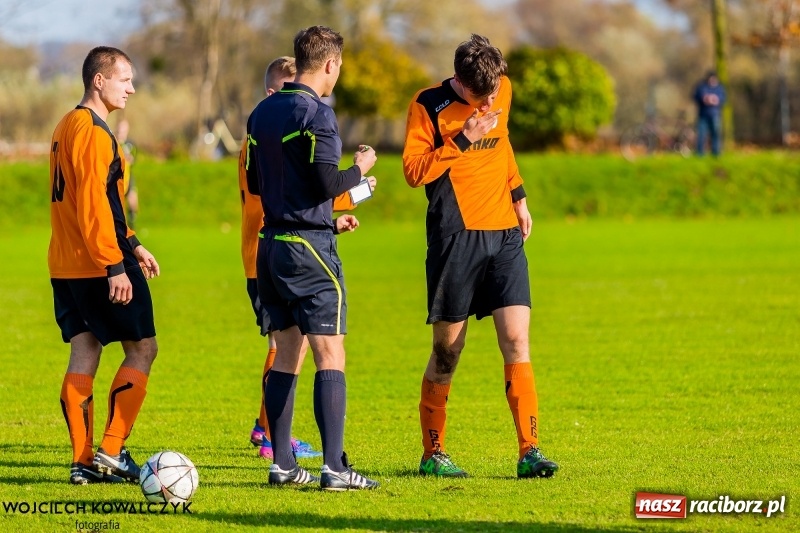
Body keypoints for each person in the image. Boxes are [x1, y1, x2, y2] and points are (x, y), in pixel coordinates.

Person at [402, 34, 559, 479]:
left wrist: (520, 196)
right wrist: (462, 140)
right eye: (480, 96)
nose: (489, 101)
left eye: (494, 93)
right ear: (459, 81)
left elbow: (504, 144)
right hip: (455, 238)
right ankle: (433, 454)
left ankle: (530, 451)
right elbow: (414, 173)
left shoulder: (500, 88)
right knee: (448, 352)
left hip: (504, 234)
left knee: (516, 339)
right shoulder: (427, 105)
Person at [246, 25, 379, 490]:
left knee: (285, 352)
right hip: (309, 251)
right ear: (330, 65)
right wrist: (360, 170)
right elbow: (327, 183)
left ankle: (282, 464)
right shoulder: (318, 114)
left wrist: (323, 216)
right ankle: (335, 470)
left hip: (271, 246)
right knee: (329, 352)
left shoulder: (261, 114)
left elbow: (260, 185)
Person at [48, 46, 160, 485]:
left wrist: (132, 243)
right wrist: (115, 265)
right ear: (99, 80)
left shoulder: (65, 126)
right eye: (124, 79)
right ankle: (111, 450)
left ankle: (82, 463)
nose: (131, 88)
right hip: (98, 263)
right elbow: (95, 205)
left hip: (65, 263)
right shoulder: (95, 133)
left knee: (85, 350)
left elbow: (100, 203)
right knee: (143, 349)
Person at [693, 70, 726, 157]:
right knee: (701, 134)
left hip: (715, 115)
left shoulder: (719, 88)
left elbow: (723, 99)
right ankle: (700, 153)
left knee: (715, 134)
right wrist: (704, 98)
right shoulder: (702, 87)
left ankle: (716, 152)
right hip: (703, 115)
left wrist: (716, 100)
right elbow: (696, 96)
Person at [116, 118, 139, 227]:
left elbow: (134, 158)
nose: (121, 132)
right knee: (118, 205)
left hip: (128, 176)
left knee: (133, 202)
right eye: (120, 129)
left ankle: (132, 224)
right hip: (117, 177)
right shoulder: (113, 142)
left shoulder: (130, 144)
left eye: (124, 129)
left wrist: (130, 159)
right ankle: (120, 227)